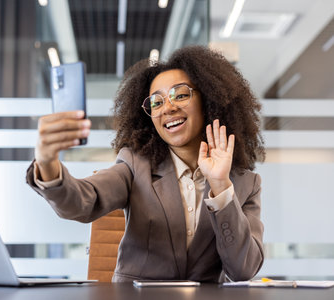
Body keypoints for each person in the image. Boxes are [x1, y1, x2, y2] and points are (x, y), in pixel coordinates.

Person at [26, 45, 265, 283]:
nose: (168, 108)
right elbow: (83, 200)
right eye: (156, 102)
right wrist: (47, 165)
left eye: (180, 95)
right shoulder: (134, 165)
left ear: (209, 100)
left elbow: (243, 270)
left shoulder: (245, 183)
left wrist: (221, 186)